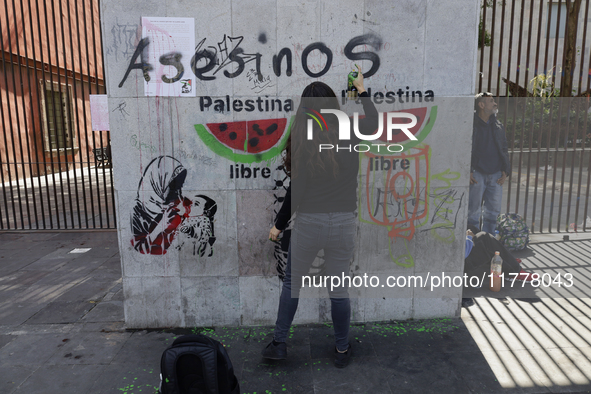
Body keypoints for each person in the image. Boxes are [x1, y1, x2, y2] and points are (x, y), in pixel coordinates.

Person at [264, 67, 378, 368]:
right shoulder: (349, 130)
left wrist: (278, 225)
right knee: (339, 288)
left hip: (309, 223)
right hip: (343, 223)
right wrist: (362, 89)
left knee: (292, 284)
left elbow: (296, 189)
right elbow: (375, 124)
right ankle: (341, 350)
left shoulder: (302, 134)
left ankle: (279, 345)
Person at [468, 92, 511, 234]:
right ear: (481, 105)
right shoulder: (471, 124)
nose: (495, 103)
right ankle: (473, 242)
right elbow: (465, 148)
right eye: (491, 101)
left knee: (493, 213)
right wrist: (468, 170)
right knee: (473, 212)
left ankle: (489, 241)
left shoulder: (497, 125)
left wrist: (505, 170)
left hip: (496, 174)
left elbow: (504, 148)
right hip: (477, 174)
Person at [464, 228, 538, 282]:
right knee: (484, 237)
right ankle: (513, 272)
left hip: (460, 256)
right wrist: (469, 237)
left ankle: (506, 260)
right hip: (461, 261)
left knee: (472, 228)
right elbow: (465, 253)